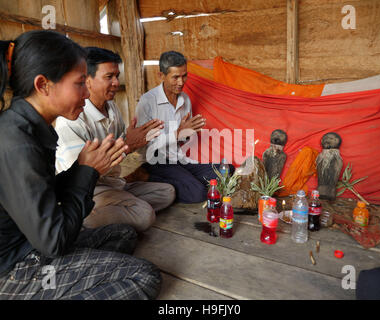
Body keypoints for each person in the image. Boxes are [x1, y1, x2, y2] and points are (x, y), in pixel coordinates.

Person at [0, 30, 161, 299]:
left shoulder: (29, 125)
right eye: (79, 83)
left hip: (33, 241)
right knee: (144, 275)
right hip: (14, 268)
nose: (87, 93)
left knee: (123, 234)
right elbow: (54, 242)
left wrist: (82, 170)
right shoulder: (17, 142)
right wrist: (88, 172)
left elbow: (43, 194)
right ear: (43, 85)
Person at [55, 47, 175, 232]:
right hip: (88, 190)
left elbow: (122, 142)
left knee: (167, 192)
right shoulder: (72, 119)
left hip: (113, 184)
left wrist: (137, 138)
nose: (116, 83)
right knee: (144, 214)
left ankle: (120, 207)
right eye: (109, 77)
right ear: (87, 80)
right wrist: (128, 145)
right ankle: (80, 222)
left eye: (117, 76)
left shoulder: (111, 108)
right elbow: (82, 174)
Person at [136, 51, 233, 203]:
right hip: (156, 161)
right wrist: (177, 134)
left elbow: (185, 139)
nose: (181, 82)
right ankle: (147, 177)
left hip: (180, 159)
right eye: (175, 77)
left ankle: (187, 181)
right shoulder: (147, 101)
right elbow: (143, 146)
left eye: (184, 76)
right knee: (197, 193)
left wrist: (188, 133)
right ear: (161, 76)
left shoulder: (185, 99)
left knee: (226, 171)